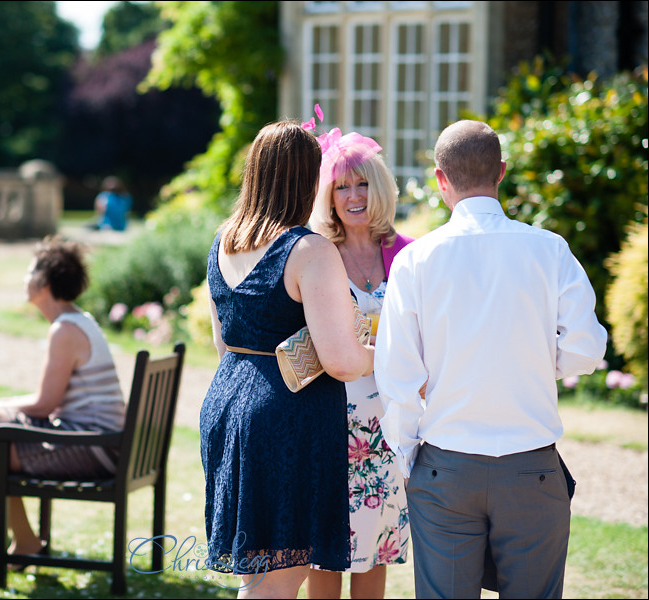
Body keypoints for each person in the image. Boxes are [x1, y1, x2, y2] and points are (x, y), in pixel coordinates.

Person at [374, 120, 608, 598]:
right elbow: (587, 349)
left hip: (444, 468)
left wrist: (406, 457)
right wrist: (540, 361)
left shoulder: (416, 260)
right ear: (501, 172)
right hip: (531, 467)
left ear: (440, 179)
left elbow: (396, 373)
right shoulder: (549, 249)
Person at [200, 120, 375, 599]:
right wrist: (378, 357)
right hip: (284, 420)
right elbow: (341, 361)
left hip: (227, 406)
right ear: (306, 179)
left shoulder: (223, 242)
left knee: (256, 576)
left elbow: (223, 344)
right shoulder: (309, 249)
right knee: (278, 581)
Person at [0, 237, 125, 559]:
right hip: (98, 442)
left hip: (94, 448)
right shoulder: (76, 321)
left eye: (30, 272)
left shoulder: (65, 330)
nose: (25, 279)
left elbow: (45, 404)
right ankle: (14, 539)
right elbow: (50, 402)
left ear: (44, 282)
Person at [305, 128, 413, 599]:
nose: (353, 196)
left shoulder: (409, 254)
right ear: (328, 196)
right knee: (323, 547)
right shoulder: (315, 253)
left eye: (363, 184)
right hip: (326, 418)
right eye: (342, 186)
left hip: (388, 423)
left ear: (380, 186)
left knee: (377, 546)